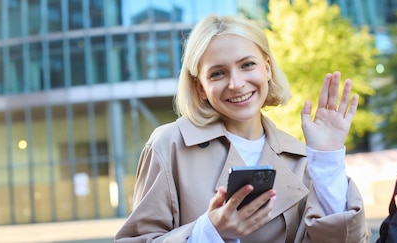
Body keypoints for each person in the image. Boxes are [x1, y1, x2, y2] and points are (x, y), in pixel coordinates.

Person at [115, 13, 371, 243]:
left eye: (247, 65)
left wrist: (327, 159)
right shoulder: (170, 144)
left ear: (267, 68)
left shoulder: (301, 157)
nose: (236, 84)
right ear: (200, 88)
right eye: (217, 73)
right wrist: (209, 232)